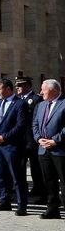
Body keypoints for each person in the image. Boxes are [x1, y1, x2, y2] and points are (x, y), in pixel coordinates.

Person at [0, 78, 29, 215]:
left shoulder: (20, 104)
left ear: (8, 89)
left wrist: (4, 137)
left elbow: (21, 125)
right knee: (0, 176)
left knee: (17, 177)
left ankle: (21, 205)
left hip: (12, 147)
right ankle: (4, 201)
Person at [33, 79, 65, 219]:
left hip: (60, 149)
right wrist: (39, 138)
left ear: (53, 90)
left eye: (43, 90)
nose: (40, 92)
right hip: (43, 149)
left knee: (64, 181)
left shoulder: (63, 104)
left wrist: (55, 141)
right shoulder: (40, 105)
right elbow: (34, 124)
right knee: (49, 180)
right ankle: (52, 208)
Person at [16, 76, 46, 204]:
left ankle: (39, 190)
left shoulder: (36, 99)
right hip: (19, 139)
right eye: (17, 85)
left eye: (21, 85)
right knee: (20, 166)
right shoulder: (17, 100)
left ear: (28, 86)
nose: (18, 88)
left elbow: (37, 120)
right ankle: (23, 190)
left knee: (35, 167)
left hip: (31, 139)